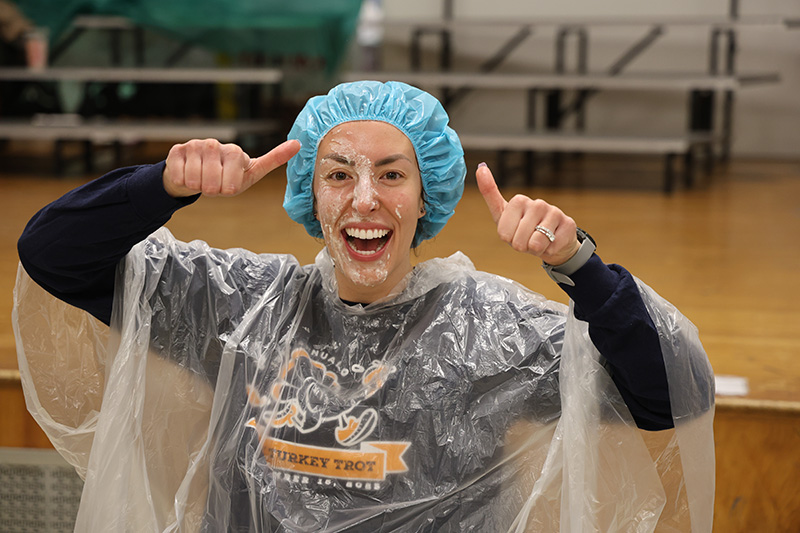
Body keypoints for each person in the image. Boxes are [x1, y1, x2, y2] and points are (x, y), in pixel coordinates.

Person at [14, 81, 715, 532]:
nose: (365, 199)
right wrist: (162, 185)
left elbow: (671, 395)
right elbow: (52, 253)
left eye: (391, 174)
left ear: (426, 195)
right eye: (339, 174)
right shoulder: (240, 307)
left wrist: (580, 267)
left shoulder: (490, 332)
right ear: (310, 194)